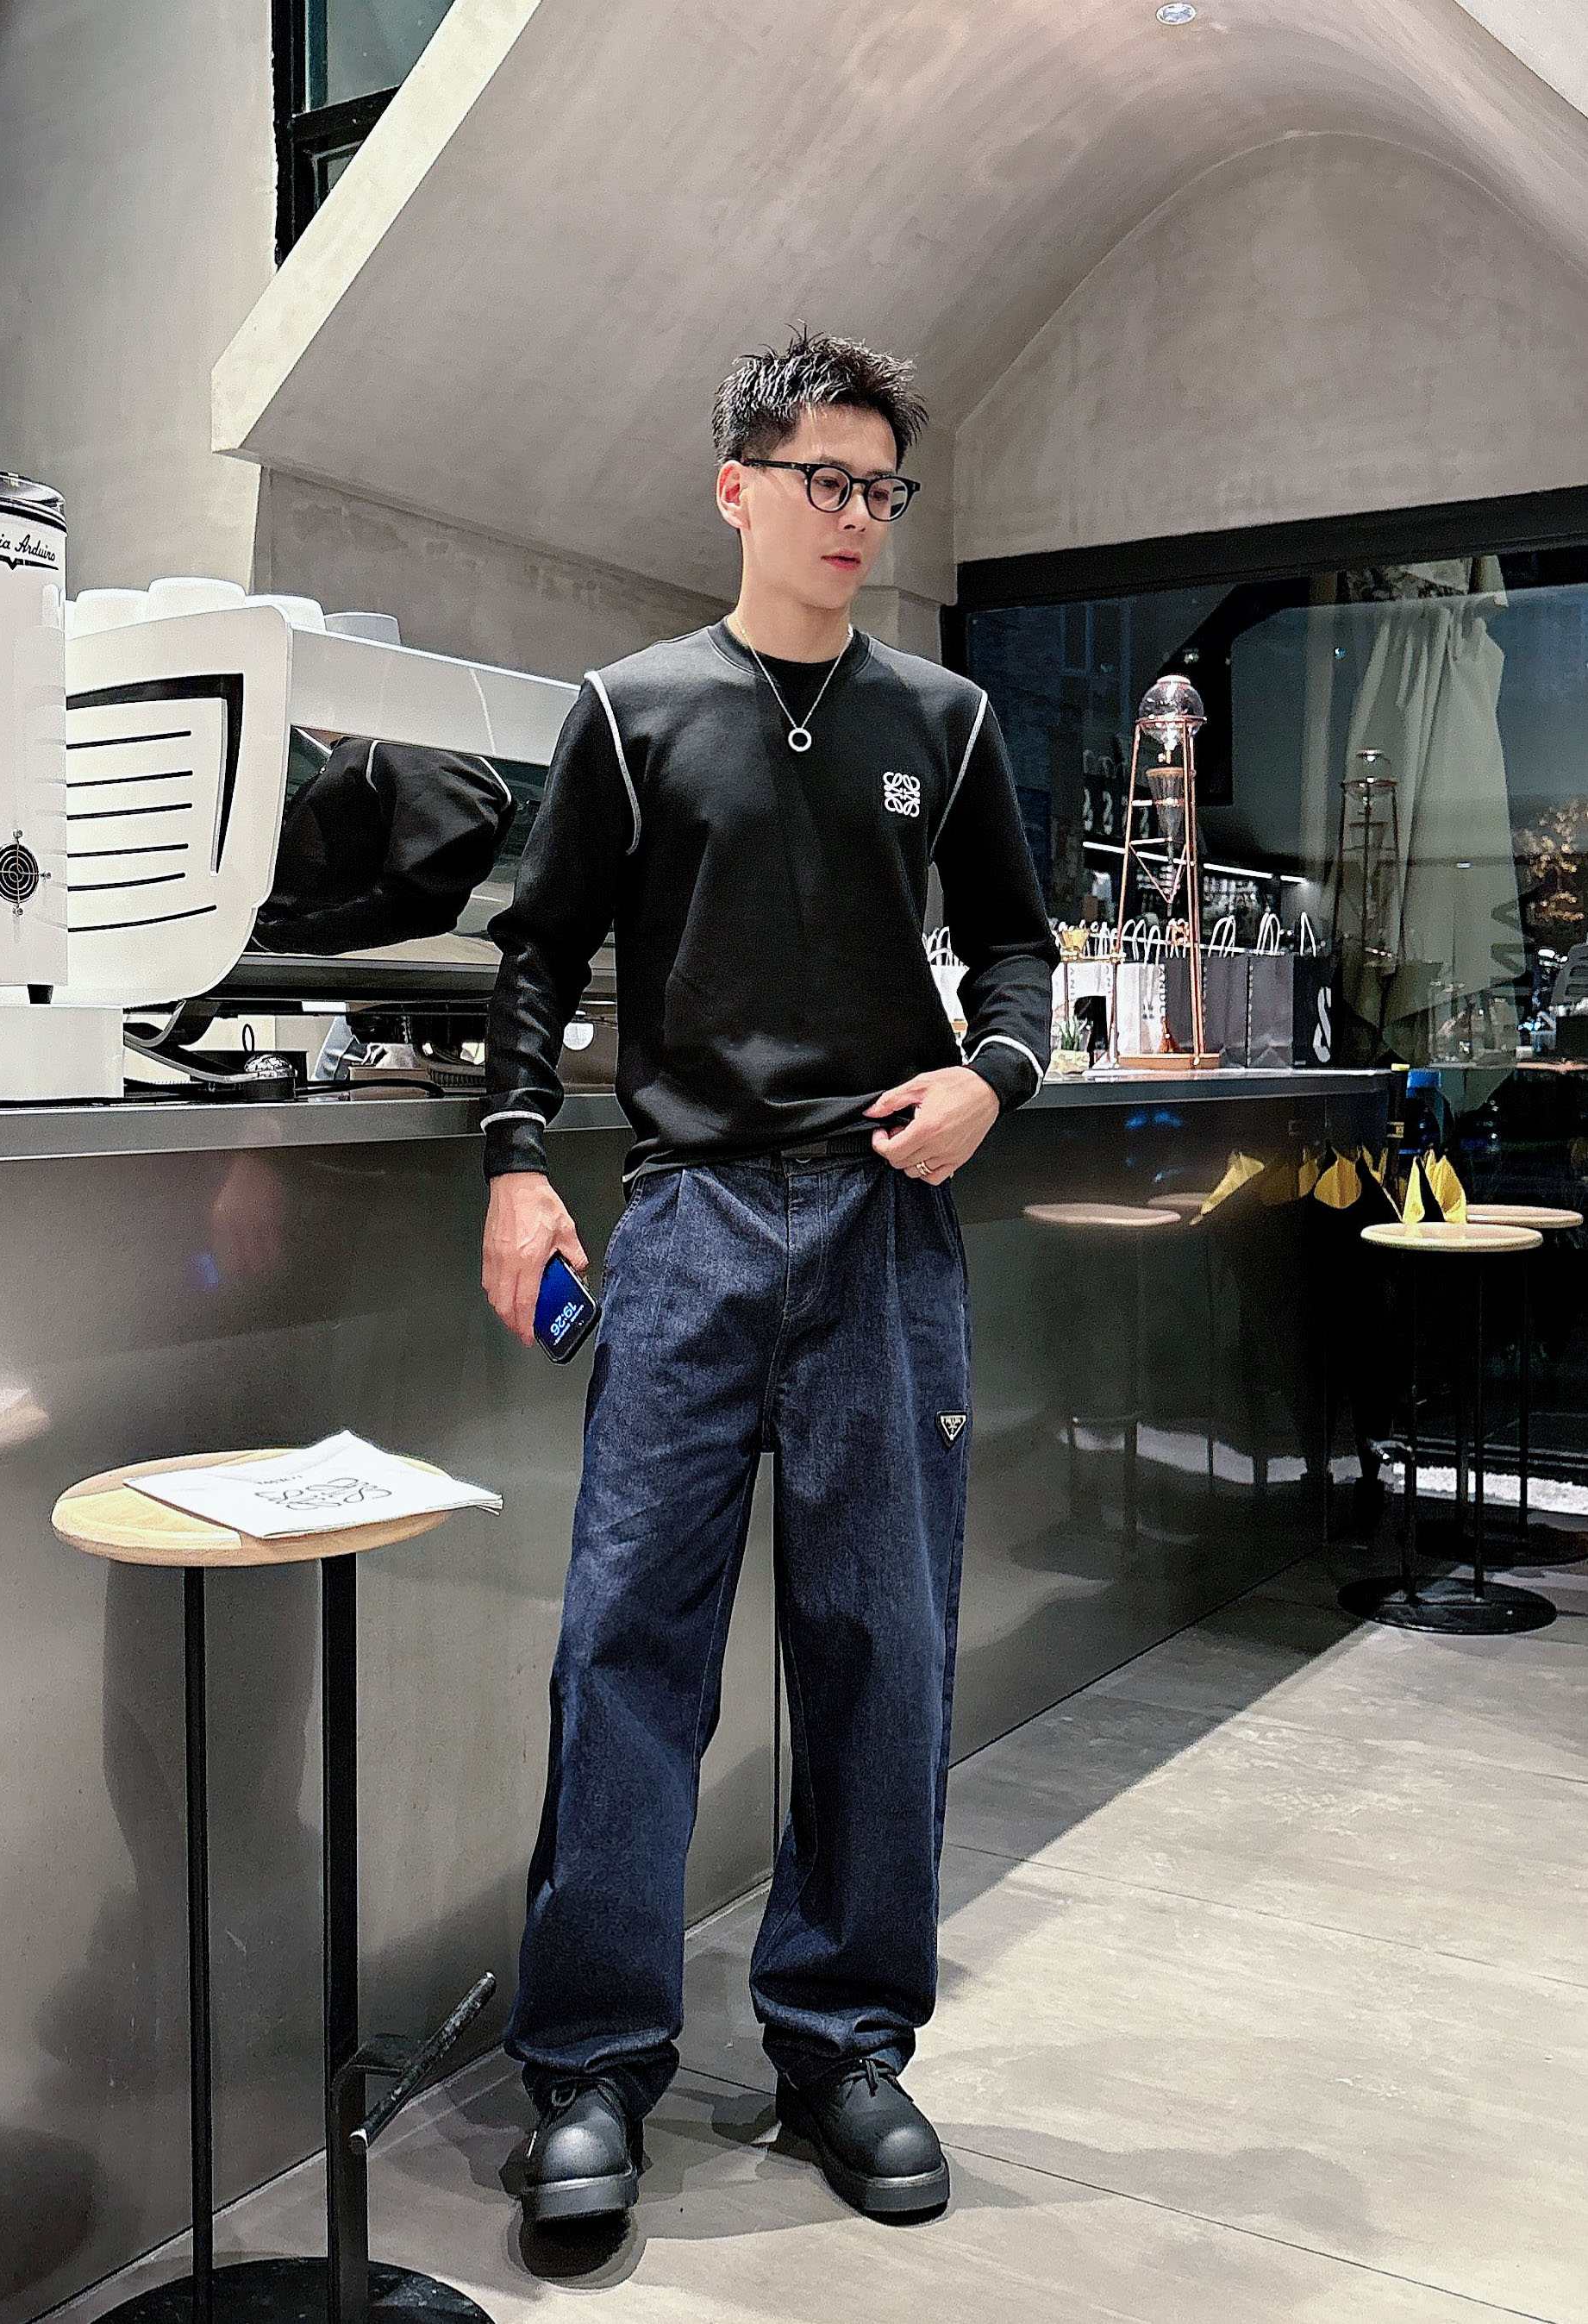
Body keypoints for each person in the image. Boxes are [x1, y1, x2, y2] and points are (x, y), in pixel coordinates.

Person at [480, 326, 1056, 2227]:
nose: (858, 518)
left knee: (880, 1644)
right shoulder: (632, 712)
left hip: (885, 1220)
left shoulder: (944, 722)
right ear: (737, 487)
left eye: (883, 489)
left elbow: (1019, 949)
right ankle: (589, 2066)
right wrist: (513, 1167)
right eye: (827, 481)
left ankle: (843, 2042)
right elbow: (537, 954)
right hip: (689, 1218)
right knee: (625, 1639)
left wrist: (992, 1076)